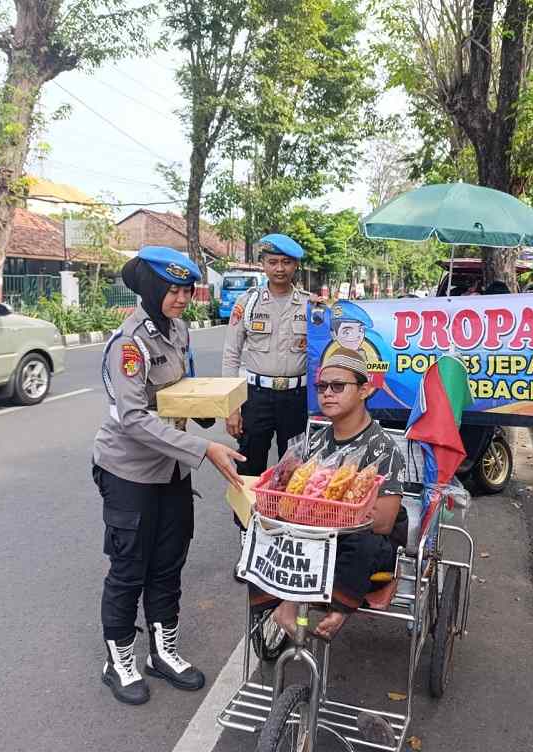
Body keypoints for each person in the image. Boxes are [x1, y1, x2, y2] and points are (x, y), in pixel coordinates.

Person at [93, 246, 245, 705]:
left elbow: (179, 391)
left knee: (168, 563)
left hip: (173, 469)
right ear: (152, 289)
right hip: (129, 471)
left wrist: (210, 407)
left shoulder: (177, 330)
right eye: (173, 290)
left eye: (186, 290)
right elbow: (135, 420)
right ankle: (118, 661)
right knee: (129, 569)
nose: (181, 298)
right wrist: (205, 447)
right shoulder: (129, 345)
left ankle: (164, 652)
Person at [253, 348, 408, 642]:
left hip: (363, 542)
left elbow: (384, 523)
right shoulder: (314, 444)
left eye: (338, 386)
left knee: (360, 544)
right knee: (263, 531)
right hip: (314, 536)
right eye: (322, 387)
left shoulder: (382, 448)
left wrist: (324, 516)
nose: (328, 394)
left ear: (364, 390)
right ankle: (275, 603)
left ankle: (339, 607)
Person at [222, 234, 310, 525]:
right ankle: (246, 534)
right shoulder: (246, 303)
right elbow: (231, 356)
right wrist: (231, 407)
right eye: (273, 262)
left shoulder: (310, 306)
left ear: (296, 265)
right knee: (249, 466)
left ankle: (287, 531)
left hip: (296, 400)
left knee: (294, 470)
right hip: (255, 397)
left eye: (286, 262)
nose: (280, 268)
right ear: (263, 265)